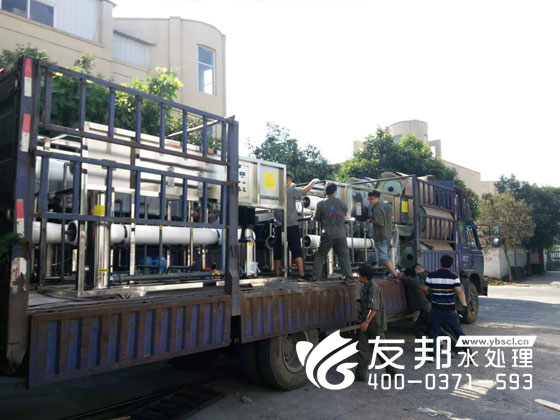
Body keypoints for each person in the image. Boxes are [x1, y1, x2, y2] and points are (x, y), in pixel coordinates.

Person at [273, 173, 319, 279]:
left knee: (278, 249)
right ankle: (301, 274)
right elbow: (304, 191)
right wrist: (312, 182)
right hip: (291, 225)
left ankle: (276, 273)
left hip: (279, 225)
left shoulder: (275, 192)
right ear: (288, 181)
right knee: (296, 249)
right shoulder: (290, 190)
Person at [356, 264, 397, 381]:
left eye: (359, 275)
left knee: (380, 348)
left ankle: (392, 370)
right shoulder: (366, 287)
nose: (358, 276)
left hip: (374, 324)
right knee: (363, 348)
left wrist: (366, 322)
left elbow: (374, 308)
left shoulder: (373, 288)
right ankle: (360, 375)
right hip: (368, 322)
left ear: (364, 277)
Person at [311, 182, 354, 285]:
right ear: (335, 192)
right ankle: (349, 279)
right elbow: (345, 212)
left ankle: (316, 278)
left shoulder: (321, 204)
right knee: (344, 256)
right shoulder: (341, 202)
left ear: (325, 192)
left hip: (328, 234)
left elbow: (316, 218)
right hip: (341, 234)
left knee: (320, 255)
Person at [424, 255, 468, 354]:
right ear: (451, 265)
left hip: (436, 310)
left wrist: (429, 294)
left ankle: (431, 355)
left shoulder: (431, 275)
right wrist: (464, 305)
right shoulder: (454, 277)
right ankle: (469, 353)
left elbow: (425, 289)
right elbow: (459, 291)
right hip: (450, 310)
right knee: (459, 333)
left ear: (440, 263)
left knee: (433, 333)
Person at [366, 190, 401, 279]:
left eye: (371, 199)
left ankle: (394, 274)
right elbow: (390, 218)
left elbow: (380, 222)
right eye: (369, 199)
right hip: (388, 233)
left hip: (380, 235)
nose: (370, 201)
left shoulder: (376, 208)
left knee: (383, 256)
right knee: (386, 254)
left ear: (377, 198)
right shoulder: (387, 206)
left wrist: (370, 220)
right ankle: (391, 272)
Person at [401, 264, 431, 338]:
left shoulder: (412, 281)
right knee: (417, 329)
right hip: (427, 309)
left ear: (408, 276)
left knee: (437, 330)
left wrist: (398, 275)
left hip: (426, 310)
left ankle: (454, 342)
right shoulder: (418, 280)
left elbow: (402, 278)